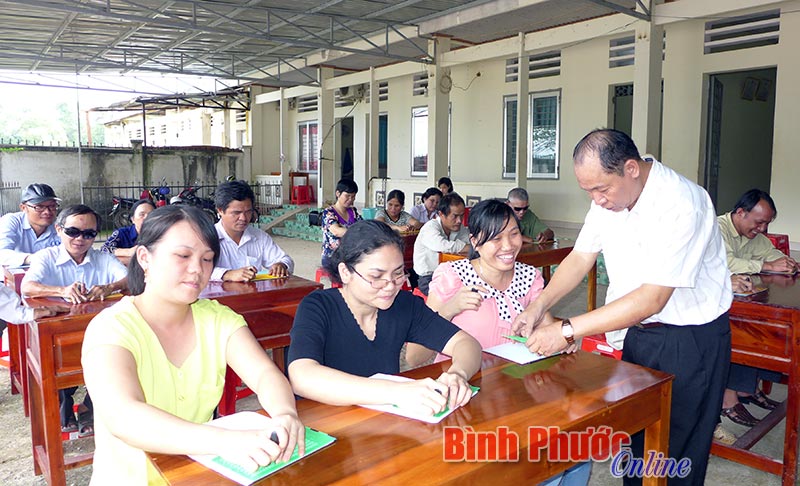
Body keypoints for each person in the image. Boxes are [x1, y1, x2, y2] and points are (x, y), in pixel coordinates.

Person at [513, 129, 732, 486]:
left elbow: (651, 299)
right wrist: (539, 306)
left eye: (601, 190)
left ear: (631, 168)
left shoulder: (681, 202)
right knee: (635, 440)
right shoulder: (608, 198)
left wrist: (566, 330)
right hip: (639, 335)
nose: (597, 200)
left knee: (676, 451)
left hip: (689, 341)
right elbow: (580, 257)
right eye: (588, 192)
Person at [81, 205, 304, 485]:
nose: (197, 269)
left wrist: (285, 413)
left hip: (196, 474)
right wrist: (228, 441)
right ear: (144, 257)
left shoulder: (217, 319)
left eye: (207, 259)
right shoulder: (111, 327)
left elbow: (264, 374)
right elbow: (124, 416)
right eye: (183, 255)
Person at [405, 199, 591, 486]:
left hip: (519, 393)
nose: (508, 245)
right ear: (476, 241)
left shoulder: (529, 278)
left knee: (573, 457)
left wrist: (564, 338)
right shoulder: (453, 278)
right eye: (496, 237)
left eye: (514, 233)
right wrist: (450, 308)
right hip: (465, 396)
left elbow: (549, 329)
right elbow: (415, 357)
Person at [288, 220, 481, 416]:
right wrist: (396, 392)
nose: (390, 286)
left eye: (397, 274)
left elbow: (465, 343)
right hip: (326, 421)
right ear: (345, 272)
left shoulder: (403, 305)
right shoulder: (318, 306)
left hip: (382, 420)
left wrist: (458, 374)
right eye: (377, 276)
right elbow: (302, 376)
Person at [21, 204, 129, 437]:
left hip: (96, 331)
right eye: (73, 232)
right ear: (59, 230)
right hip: (57, 334)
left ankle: (90, 407)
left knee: (116, 361)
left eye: (89, 234)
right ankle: (64, 405)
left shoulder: (102, 259)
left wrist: (110, 286)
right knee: (59, 364)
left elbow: (129, 279)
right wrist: (62, 290)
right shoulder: (45, 257)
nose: (80, 239)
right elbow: (27, 287)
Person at [717, 189, 786, 429]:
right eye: (759, 222)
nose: (762, 229)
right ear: (740, 213)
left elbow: (770, 251)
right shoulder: (717, 229)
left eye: (766, 223)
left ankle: (747, 390)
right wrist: (767, 265)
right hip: (712, 306)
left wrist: (784, 262)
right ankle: (728, 398)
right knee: (741, 333)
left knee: (765, 329)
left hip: (741, 300)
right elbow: (726, 263)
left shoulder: (754, 233)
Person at [210, 180, 294, 281]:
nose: (243, 218)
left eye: (248, 212)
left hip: (253, 294)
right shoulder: (207, 238)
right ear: (220, 210)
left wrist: (281, 265)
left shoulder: (259, 237)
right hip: (217, 296)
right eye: (236, 213)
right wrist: (227, 274)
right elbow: (194, 271)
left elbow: (285, 259)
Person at [413, 192, 470, 295]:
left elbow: (469, 244)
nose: (459, 221)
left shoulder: (460, 228)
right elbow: (442, 246)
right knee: (450, 297)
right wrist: (469, 248)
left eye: (462, 216)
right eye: (455, 216)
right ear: (441, 214)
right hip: (428, 278)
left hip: (451, 275)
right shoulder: (430, 227)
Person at [0, 183, 61, 267]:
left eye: (52, 206)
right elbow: (2, 253)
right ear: (23, 208)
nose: (47, 212)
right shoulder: (11, 221)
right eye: (39, 207)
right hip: (12, 276)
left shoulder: (61, 226)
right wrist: (32, 258)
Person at [321, 178, 362, 267]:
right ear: (338, 194)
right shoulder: (328, 213)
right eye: (347, 196)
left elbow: (363, 226)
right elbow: (337, 231)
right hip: (332, 257)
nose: (350, 199)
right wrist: (357, 232)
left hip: (349, 255)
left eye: (353, 196)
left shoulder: (353, 212)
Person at [101, 199, 156, 265]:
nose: (147, 218)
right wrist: (128, 252)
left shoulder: (162, 234)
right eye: (142, 214)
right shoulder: (122, 233)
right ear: (132, 219)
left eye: (151, 214)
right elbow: (104, 250)